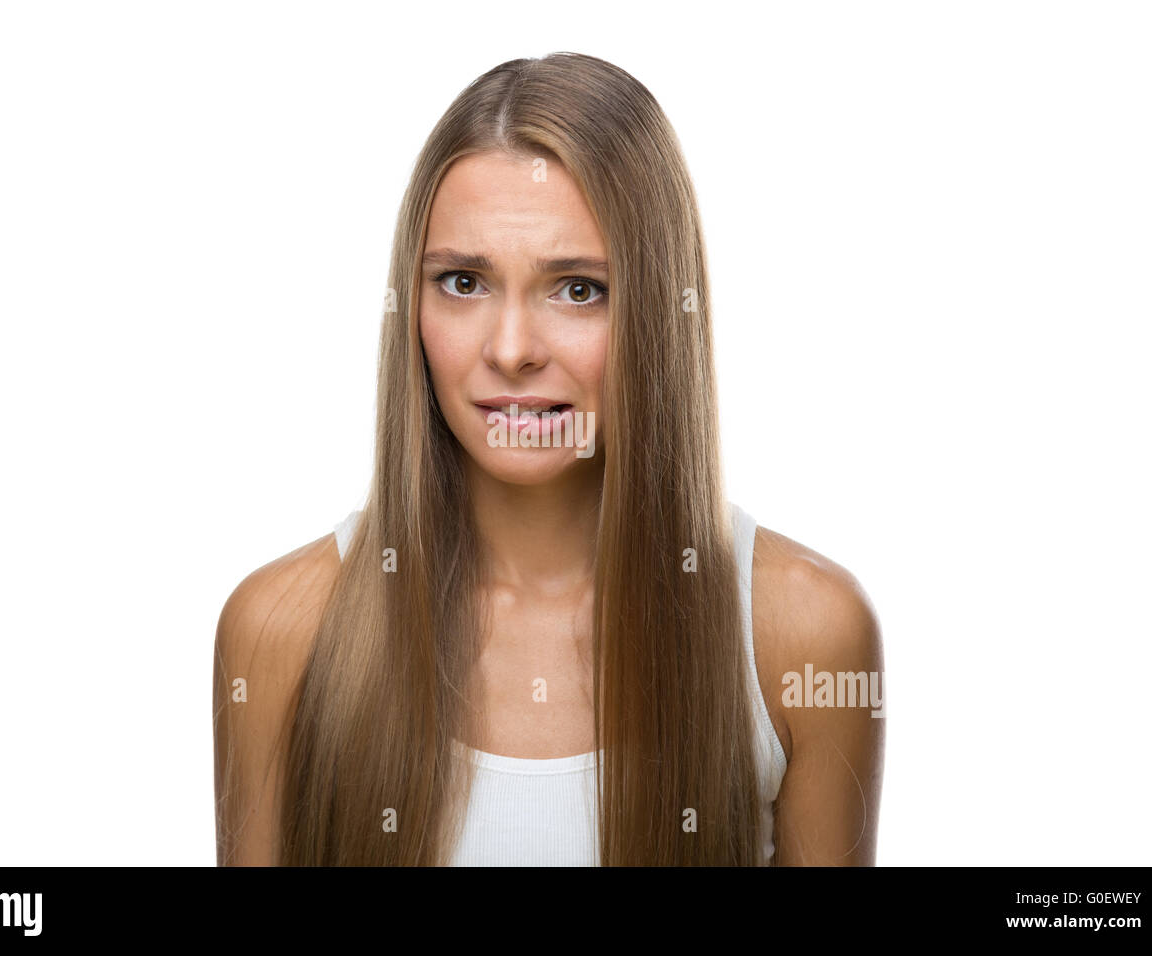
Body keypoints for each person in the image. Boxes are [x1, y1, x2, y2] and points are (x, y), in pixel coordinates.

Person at [213, 52, 884, 866]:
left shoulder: (802, 635)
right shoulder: (281, 631)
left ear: (661, 310)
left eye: (578, 289)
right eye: (463, 281)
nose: (511, 349)